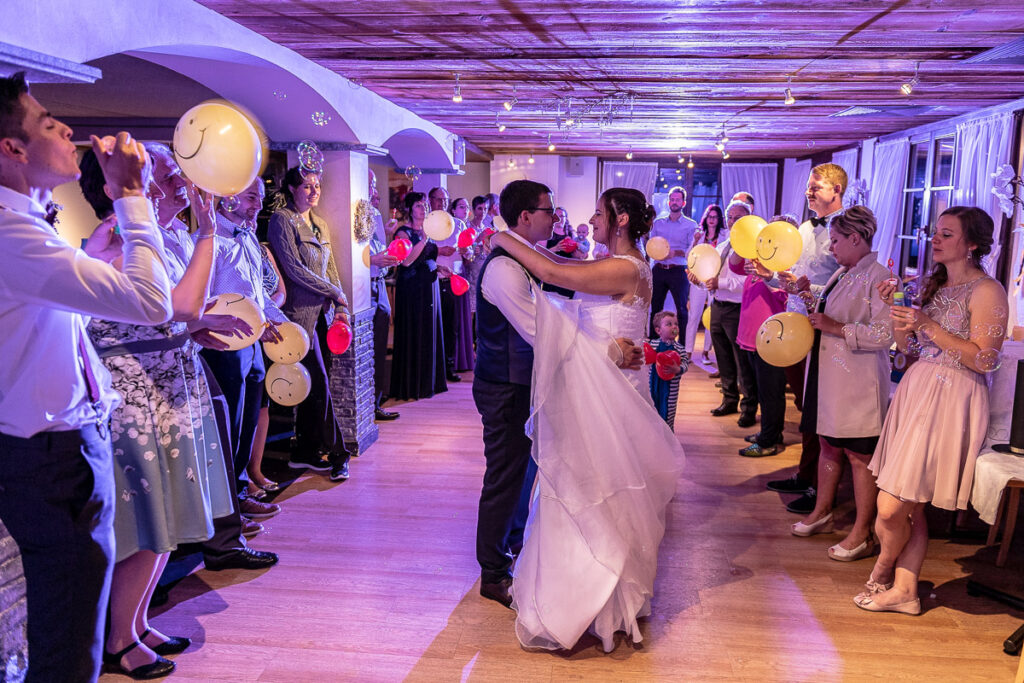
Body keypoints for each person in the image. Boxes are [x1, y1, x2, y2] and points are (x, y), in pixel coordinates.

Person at [0, 72, 173, 682]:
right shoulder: (8, 232)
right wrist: (131, 195)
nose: (68, 128)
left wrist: (94, 254)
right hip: (47, 457)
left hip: (61, 448)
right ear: (12, 150)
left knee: (74, 631)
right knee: (69, 644)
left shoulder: (25, 226)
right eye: (49, 123)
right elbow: (153, 303)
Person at [490, 186, 683, 652]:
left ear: (619, 220)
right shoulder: (625, 265)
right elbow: (571, 298)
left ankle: (599, 602)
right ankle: (599, 599)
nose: (591, 220)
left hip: (610, 395)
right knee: (586, 485)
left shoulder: (626, 267)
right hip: (601, 383)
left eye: (598, 213)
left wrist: (500, 237)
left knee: (601, 489)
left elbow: (555, 273)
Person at [77, 148, 236, 678]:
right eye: (165, 178)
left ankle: (137, 621)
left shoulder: (166, 240)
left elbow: (172, 315)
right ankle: (117, 639)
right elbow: (181, 305)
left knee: (167, 516)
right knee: (145, 521)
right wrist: (210, 230)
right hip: (135, 399)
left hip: (170, 386)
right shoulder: (116, 243)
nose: (182, 186)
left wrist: (194, 332)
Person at [856, 207, 1007, 615]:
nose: (935, 239)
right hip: (918, 390)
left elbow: (986, 360)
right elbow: (907, 350)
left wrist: (928, 324)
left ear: (972, 244)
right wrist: (901, 312)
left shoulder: (988, 291)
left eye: (946, 233)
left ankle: (884, 568)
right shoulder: (936, 288)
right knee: (910, 503)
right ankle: (906, 592)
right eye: (935, 232)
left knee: (890, 508)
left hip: (953, 398)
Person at [790, 206, 894, 562]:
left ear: (856, 238)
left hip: (858, 382)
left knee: (859, 455)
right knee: (828, 445)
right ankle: (823, 511)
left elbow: (885, 334)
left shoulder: (880, 277)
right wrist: (807, 297)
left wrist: (836, 328)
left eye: (835, 240)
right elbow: (828, 315)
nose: (830, 247)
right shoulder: (843, 272)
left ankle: (862, 531)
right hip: (829, 373)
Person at [204, 176, 289, 520]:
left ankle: (240, 492)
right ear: (229, 197)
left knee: (248, 421)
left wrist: (278, 322)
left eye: (261, 196)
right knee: (230, 425)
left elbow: (258, 294)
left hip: (253, 343)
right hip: (224, 345)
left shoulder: (249, 238)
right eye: (253, 196)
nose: (258, 203)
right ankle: (227, 507)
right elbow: (203, 300)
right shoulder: (210, 241)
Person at [765, 163, 845, 514]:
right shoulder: (803, 227)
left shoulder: (846, 230)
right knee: (804, 405)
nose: (809, 193)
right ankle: (804, 472)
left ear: (836, 190)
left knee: (817, 408)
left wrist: (804, 287)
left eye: (816, 187)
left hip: (823, 327)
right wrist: (770, 275)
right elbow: (791, 279)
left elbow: (845, 285)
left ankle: (817, 485)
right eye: (808, 188)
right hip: (794, 324)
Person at [268, 167, 354, 482]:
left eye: (316, 185)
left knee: (314, 387)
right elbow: (292, 269)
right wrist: (333, 291)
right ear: (292, 189)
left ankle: (304, 451)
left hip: (323, 316)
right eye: (306, 185)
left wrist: (340, 302)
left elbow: (329, 267)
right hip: (297, 318)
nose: (313, 190)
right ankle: (339, 454)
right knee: (317, 384)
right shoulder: (282, 219)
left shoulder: (319, 224)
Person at [734, 219, 790, 457]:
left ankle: (769, 441)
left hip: (771, 340)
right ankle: (770, 433)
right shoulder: (758, 263)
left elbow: (789, 300)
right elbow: (734, 262)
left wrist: (770, 276)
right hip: (750, 338)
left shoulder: (785, 269)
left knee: (771, 393)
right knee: (759, 389)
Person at [701, 200, 756, 425]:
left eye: (739, 217)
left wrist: (720, 284)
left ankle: (749, 407)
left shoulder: (753, 247)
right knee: (723, 358)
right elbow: (710, 276)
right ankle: (729, 399)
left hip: (738, 308)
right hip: (718, 306)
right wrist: (698, 279)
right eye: (731, 217)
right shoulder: (723, 245)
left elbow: (750, 281)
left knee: (742, 361)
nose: (733, 221)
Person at [390, 191, 447, 399]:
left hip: (429, 287)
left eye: (425, 206)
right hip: (412, 289)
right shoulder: (403, 232)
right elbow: (406, 261)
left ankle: (429, 382)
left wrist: (440, 268)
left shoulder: (429, 231)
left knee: (429, 332)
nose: (424, 209)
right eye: (419, 206)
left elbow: (426, 259)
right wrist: (423, 239)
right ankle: (411, 385)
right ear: (410, 210)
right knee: (414, 331)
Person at [367, 170, 400, 421]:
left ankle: (377, 401)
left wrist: (387, 242)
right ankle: (368, 405)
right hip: (363, 288)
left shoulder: (375, 214)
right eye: (370, 184)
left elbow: (378, 250)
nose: (375, 192)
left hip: (379, 285)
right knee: (367, 349)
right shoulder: (347, 211)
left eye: (374, 184)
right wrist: (372, 260)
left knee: (379, 347)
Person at [648, 186, 698, 338]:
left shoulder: (691, 225)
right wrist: (657, 253)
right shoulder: (657, 223)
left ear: (683, 203)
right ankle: (653, 343)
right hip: (659, 269)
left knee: (682, 309)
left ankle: (682, 345)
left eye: (677, 200)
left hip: (678, 270)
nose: (674, 202)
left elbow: (691, 250)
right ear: (668, 202)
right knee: (655, 308)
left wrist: (674, 253)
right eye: (672, 199)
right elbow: (651, 244)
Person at [685, 204, 726, 362]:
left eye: (715, 217)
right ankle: (688, 351)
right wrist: (695, 241)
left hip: (715, 280)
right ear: (705, 218)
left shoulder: (724, 235)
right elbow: (689, 256)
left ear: (719, 219)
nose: (712, 220)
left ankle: (706, 352)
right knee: (694, 315)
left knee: (711, 316)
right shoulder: (699, 235)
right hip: (699, 279)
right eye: (710, 216)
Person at [648, 311, 690, 430]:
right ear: (658, 330)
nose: (674, 327)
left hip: (671, 389)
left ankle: (669, 438)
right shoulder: (653, 344)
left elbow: (686, 364)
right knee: (652, 410)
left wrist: (678, 369)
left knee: (668, 413)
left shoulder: (680, 349)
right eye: (669, 324)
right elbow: (647, 354)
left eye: (676, 324)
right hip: (653, 386)